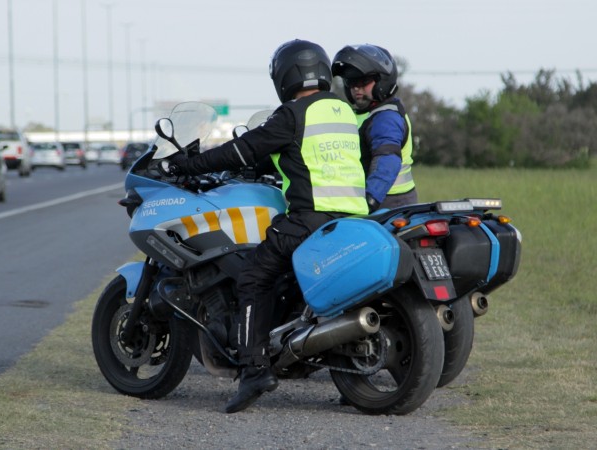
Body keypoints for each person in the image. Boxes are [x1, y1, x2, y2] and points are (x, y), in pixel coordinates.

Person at [166, 39, 368, 413]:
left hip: (309, 219)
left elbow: (240, 150)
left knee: (253, 278)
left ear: (286, 76)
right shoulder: (341, 112)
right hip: (354, 218)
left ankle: (254, 369)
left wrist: (185, 165)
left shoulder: (292, 114)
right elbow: (307, 156)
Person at [332, 44, 418, 210]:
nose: (357, 87)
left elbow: (387, 161)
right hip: (378, 199)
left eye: (364, 81)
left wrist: (369, 201)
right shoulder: (362, 114)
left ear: (382, 81)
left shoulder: (386, 118)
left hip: (388, 204)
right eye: (351, 82)